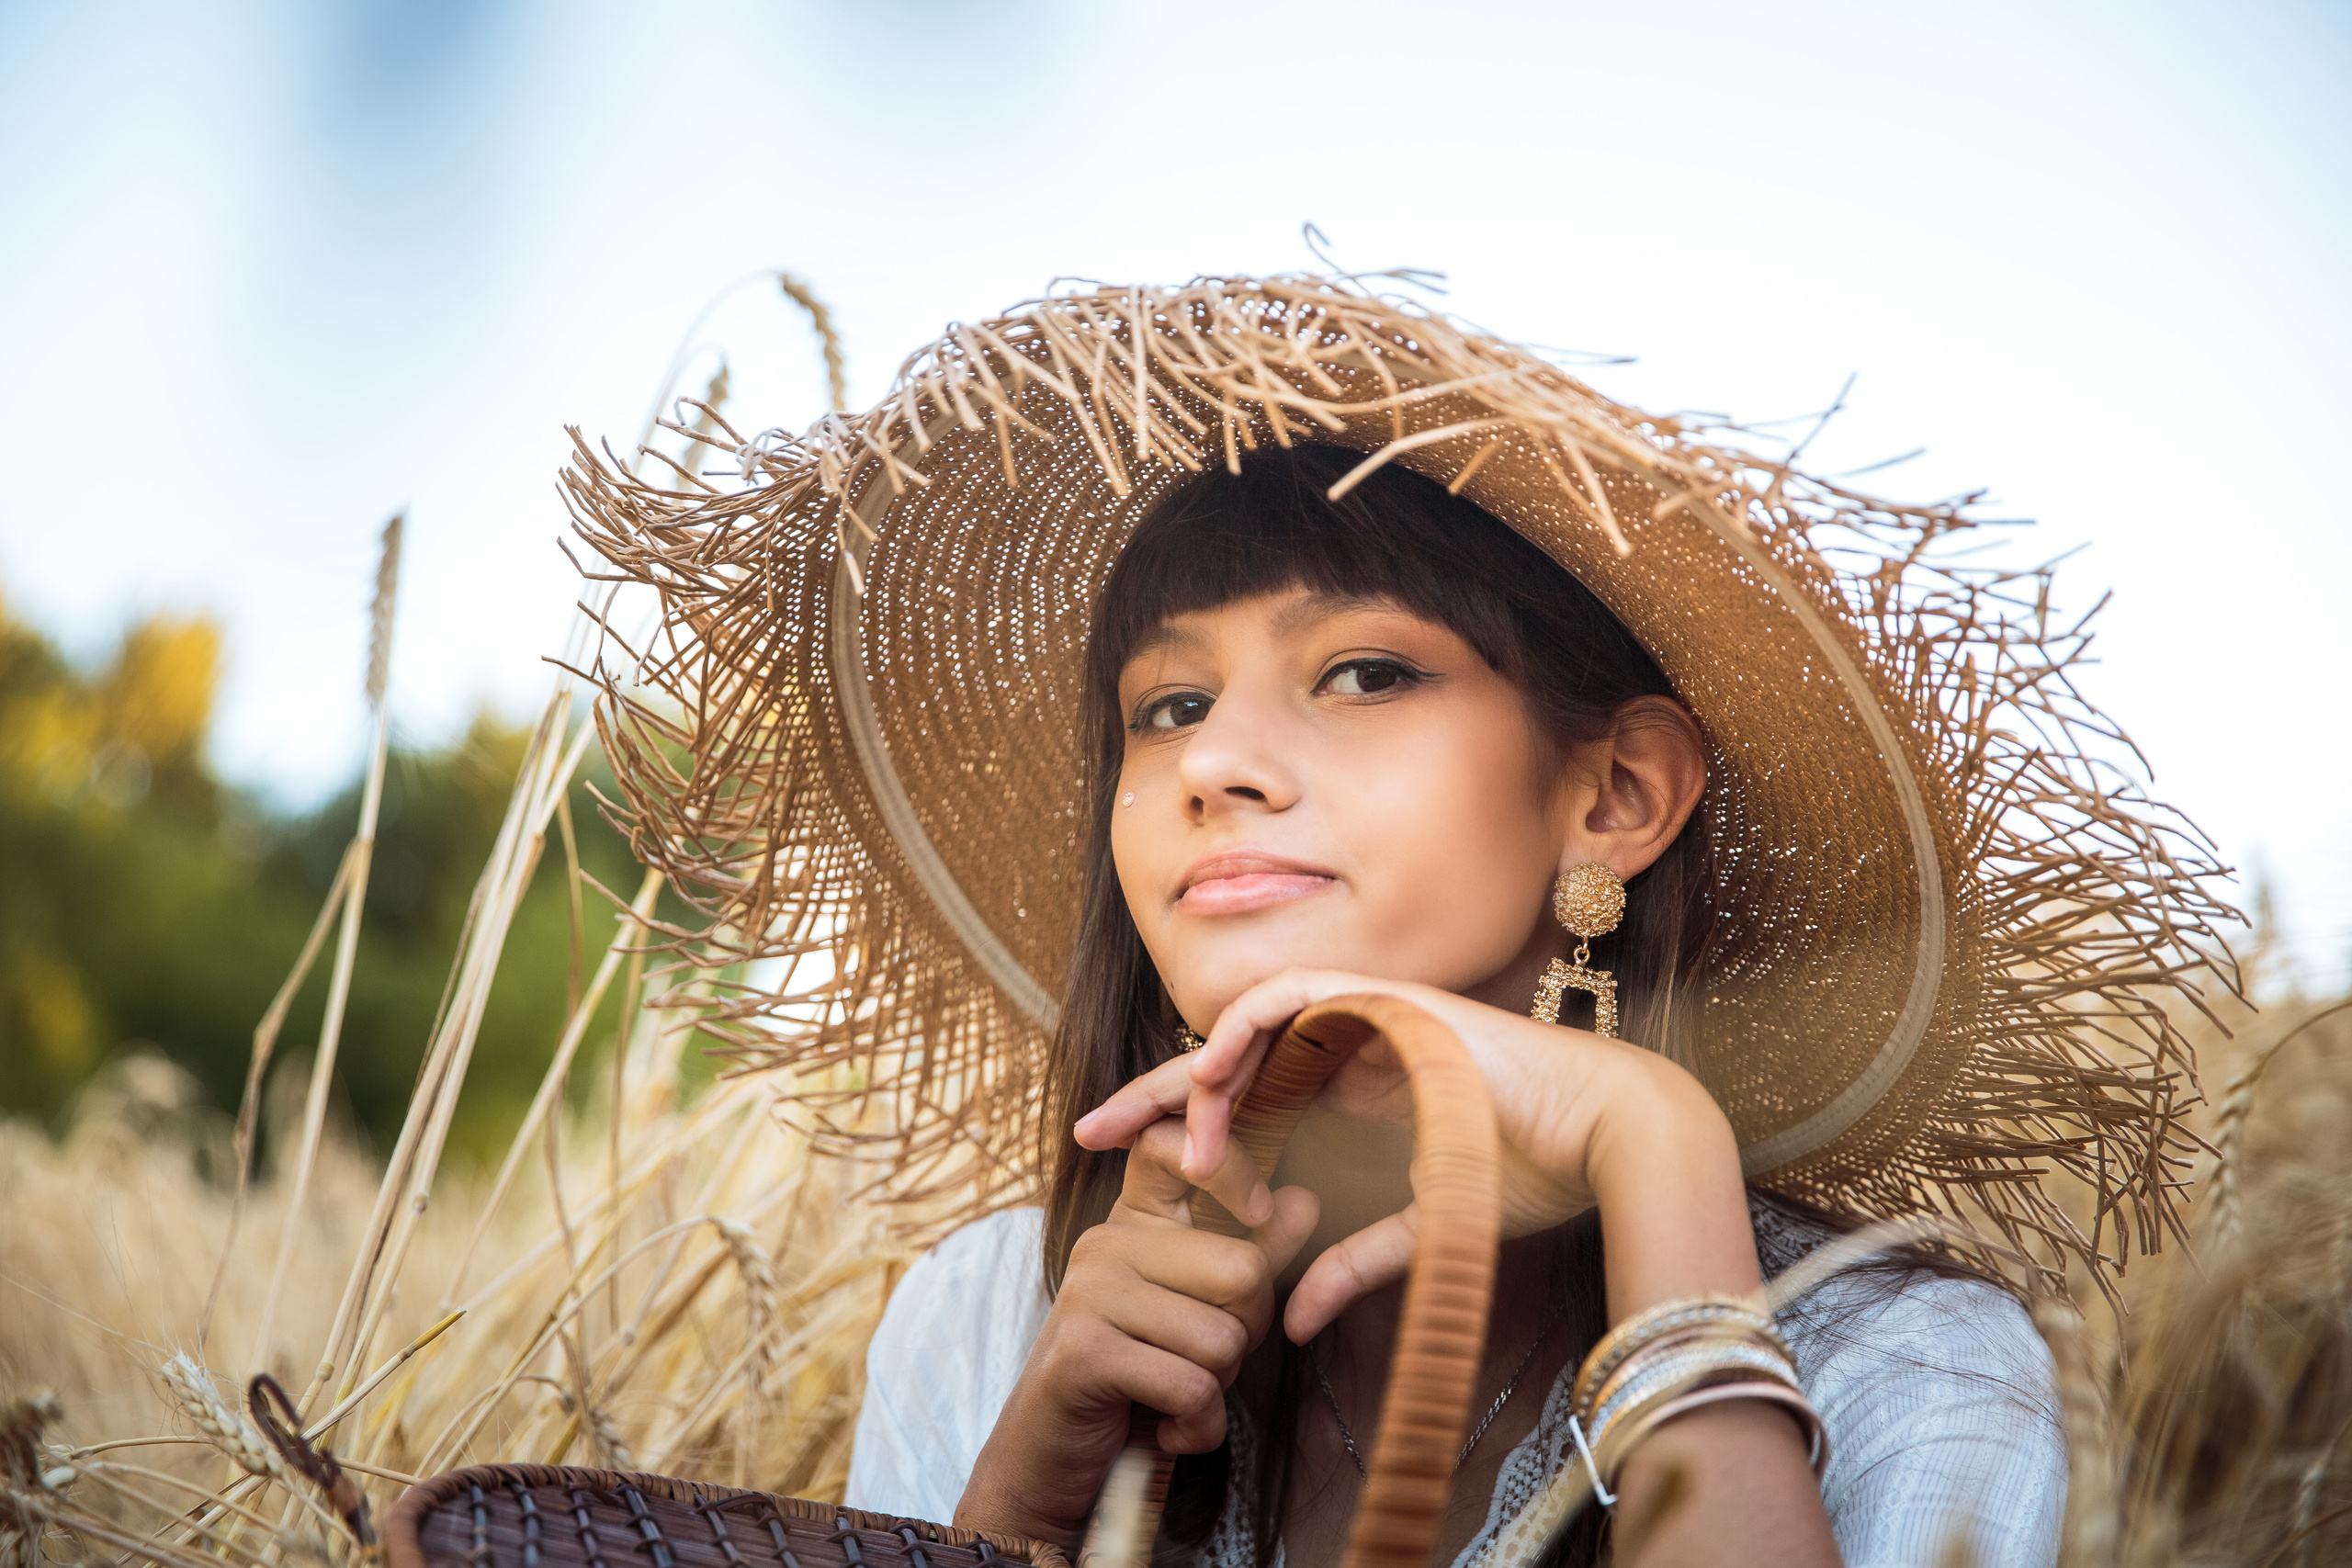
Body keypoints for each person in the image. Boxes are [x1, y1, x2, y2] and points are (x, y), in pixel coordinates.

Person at [572, 277, 2229, 1567]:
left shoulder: (1909, 1365)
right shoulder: (992, 1320)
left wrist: (1656, 1150)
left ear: (1615, 797)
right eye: (1163, 708)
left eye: (1364, 671)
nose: (1215, 761)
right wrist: (1026, 1500)